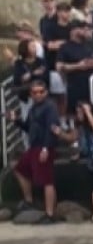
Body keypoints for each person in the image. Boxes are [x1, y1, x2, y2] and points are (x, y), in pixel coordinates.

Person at [9, 79, 62, 224]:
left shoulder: (50, 107)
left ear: (46, 93)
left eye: (40, 92)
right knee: (19, 168)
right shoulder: (33, 109)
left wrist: (46, 148)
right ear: (31, 94)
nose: (37, 95)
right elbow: (28, 127)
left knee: (47, 180)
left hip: (44, 147)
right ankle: (29, 200)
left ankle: (50, 214)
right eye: (34, 92)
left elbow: (52, 129)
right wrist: (16, 120)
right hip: (33, 147)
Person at [56, 20, 93, 115]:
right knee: (76, 116)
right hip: (75, 88)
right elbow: (59, 66)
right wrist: (78, 66)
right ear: (73, 31)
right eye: (82, 28)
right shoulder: (65, 47)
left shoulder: (92, 44)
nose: (85, 31)